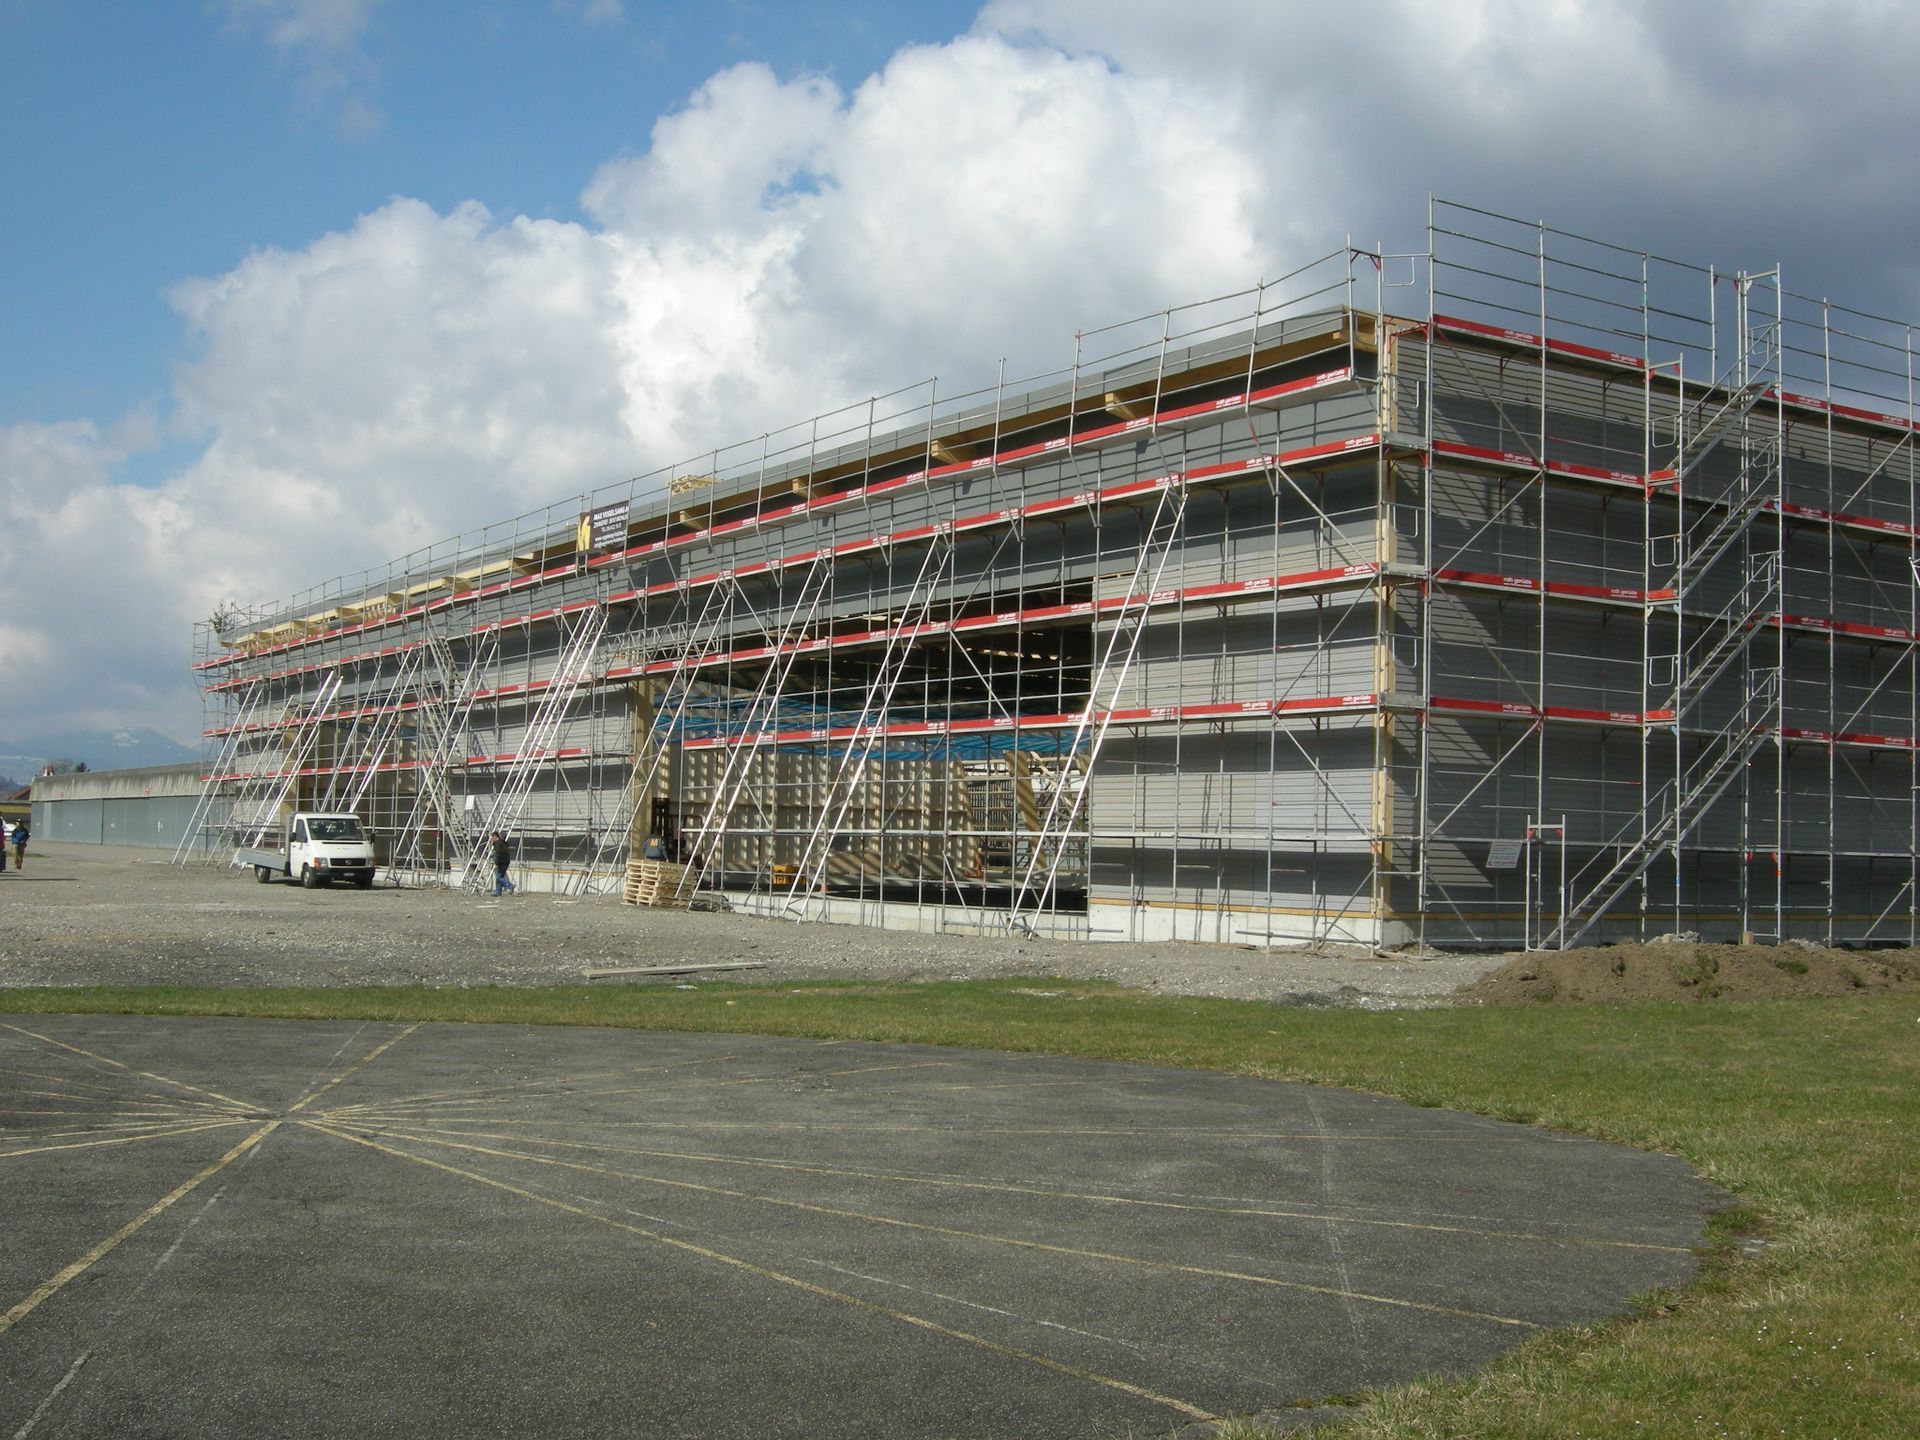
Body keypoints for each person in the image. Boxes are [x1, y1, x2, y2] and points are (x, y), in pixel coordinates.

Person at [489, 830, 515, 896]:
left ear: (496, 837)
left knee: (498, 878)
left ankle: (510, 886)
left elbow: (499, 855)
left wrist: (496, 863)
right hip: (505, 862)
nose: (491, 839)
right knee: (500, 876)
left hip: (501, 862)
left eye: (492, 837)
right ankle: (498, 892)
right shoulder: (503, 843)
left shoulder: (498, 844)